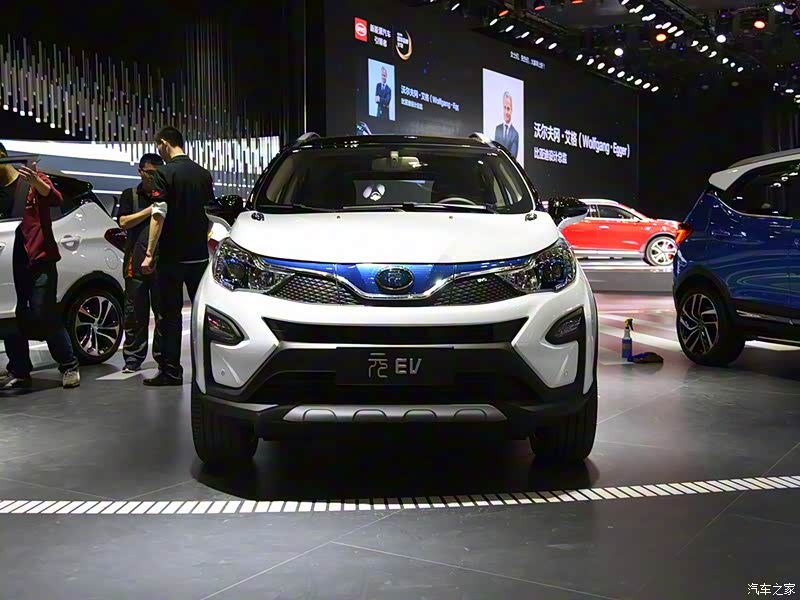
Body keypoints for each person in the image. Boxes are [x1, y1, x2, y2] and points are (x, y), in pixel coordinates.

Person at [0, 143, 80, 389]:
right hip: (9, 263)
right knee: (11, 316)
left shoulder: (31, 180)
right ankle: (20, 370)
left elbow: (55, 199)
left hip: (39, 258)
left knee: (44, 313)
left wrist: (37, 183)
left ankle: (69, 365)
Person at [141, 127, 212, 386]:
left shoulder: (164, 173)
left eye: (158, 147)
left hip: (171, 258)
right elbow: (210, 215)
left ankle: (171, 372)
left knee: (169, 316)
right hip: (198, 257)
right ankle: (207, 371)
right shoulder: (202, 174)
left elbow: (158, 215)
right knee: (202, 315)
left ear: (164, 143)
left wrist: (149, 253)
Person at [117, 153, 165, 373]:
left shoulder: (165, 195)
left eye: (158, 173)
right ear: (140, 172)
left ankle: (163, 358)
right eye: (150, 173)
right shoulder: (130, 195)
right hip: (134, 263)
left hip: (161, 262)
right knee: (134, 313)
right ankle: (133, 358)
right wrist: (150, 210)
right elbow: (123, 222)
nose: (153, 177)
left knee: (163, 312)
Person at [494, 91, 519, 159]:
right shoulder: (498, 129)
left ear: (511, 110)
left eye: (508, 109)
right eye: (504, 108)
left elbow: (512, 157)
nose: (506, 112)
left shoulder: (515, 134)